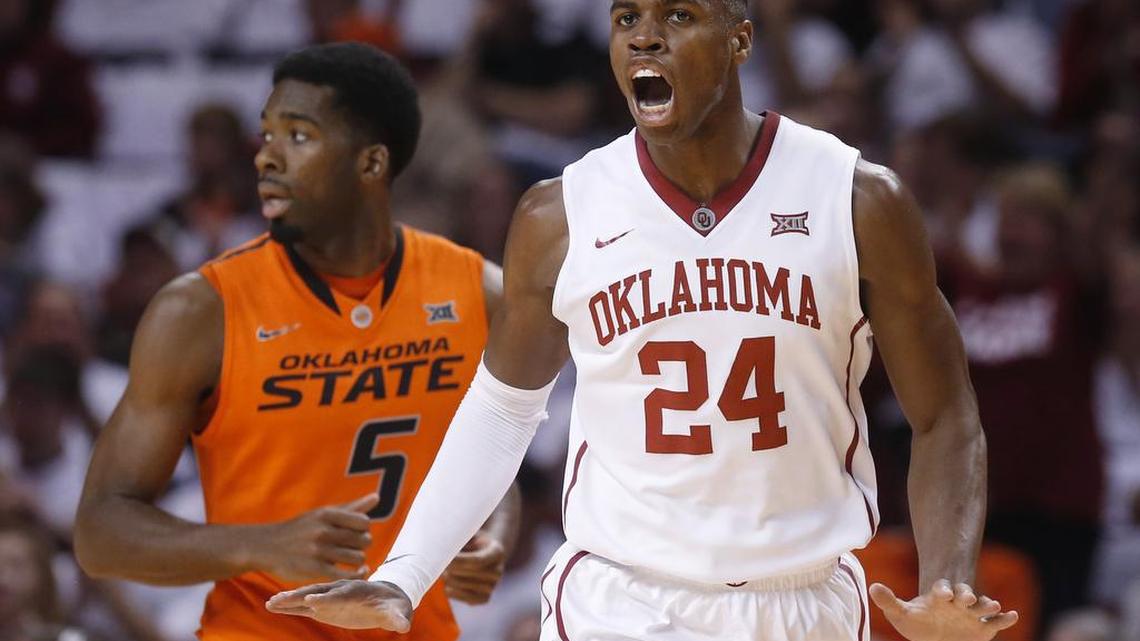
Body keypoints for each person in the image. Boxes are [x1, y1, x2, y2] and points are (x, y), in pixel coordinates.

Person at [267, 3, 1019, 640]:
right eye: (626, 17)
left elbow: (946, 415)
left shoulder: (856, 199)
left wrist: (946, 581)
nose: (645, 37)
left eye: (678, 15)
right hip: (621, 598)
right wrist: (403, 575)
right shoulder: (560, 213)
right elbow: (502, 411)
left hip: (801, 599)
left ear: (740, 40)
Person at [72, 42, 519, 641]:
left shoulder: (477, 292)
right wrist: (257, 545)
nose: (266, 156)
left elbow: (495, 460)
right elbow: (100, 532)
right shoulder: (200, 312)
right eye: (267, 135)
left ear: (371, 163)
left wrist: (494, 536)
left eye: (299, 136)